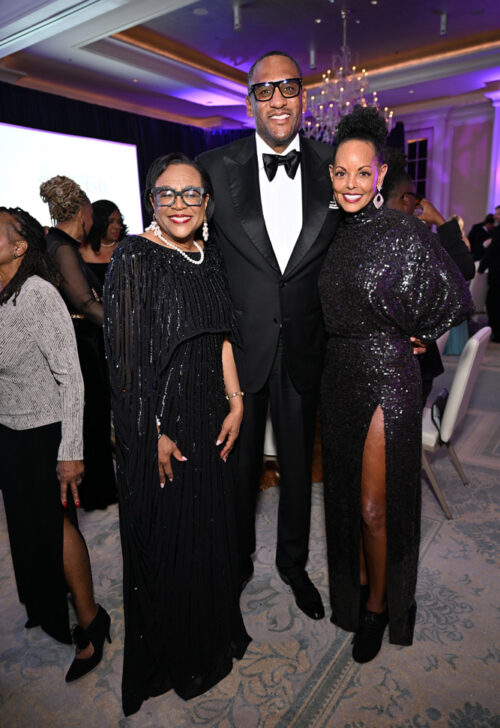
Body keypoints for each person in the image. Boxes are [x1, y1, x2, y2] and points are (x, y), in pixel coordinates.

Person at [319, 106, 473, 664]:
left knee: (373, 507)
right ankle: (360, 587)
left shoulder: (404, 230)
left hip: (387, 374)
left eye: (363, 172)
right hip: (338, 374)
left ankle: (381, 607)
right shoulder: (330, 233)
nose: (352, 183)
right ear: (331, 176)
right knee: (342, 496)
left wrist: (419, 334)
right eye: (341, 172)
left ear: (380, 175)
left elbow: (457, 294)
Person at [103, 153, 250, 716]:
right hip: (161, 422)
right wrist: (153, 432)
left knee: (210, 528)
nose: (181, 204)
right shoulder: (135, 258)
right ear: (152, 201)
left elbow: (223, 337)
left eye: (192, 194)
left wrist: (236, 401)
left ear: (208, 204)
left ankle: (210, 635)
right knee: (169, 538)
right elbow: (126, 361)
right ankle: (176, 651)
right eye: (168, 194)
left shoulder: (207, 257)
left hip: (211, 412)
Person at [199, 51, 340, 620]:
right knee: (237, 469)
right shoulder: (214, 166)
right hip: (239, 348)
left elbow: (357, 252)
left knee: (302, 471)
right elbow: (196, 260)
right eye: (265, 89)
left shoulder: (335, 165)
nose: (278, 99)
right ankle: (235, 565)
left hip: (307, 344)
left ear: (303, 96)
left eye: (289, 88)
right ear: (249, 99)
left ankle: (294, 564)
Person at [0, 206, 111, 682]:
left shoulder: (38, 295)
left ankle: (91, 621)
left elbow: (72, 377)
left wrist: (71, 451)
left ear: (19, 245)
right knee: (25, 527)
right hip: (9, 430)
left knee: (56, 525)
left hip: (47, 430)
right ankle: (46, 604)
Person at [41, 176, 116, 511]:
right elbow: (84, 302)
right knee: (92, 420)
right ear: (84, 212)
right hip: (80, 345)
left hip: (80, 340)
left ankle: (96, 490)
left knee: (92, 419)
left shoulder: (54, 242)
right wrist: (126, 326)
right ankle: (96, 493)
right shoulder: (63, 247)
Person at [382, 149, 475, 401]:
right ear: (405, 198)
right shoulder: (420, 241)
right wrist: (442, 221)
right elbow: (466, 271)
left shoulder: (370, 235)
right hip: (413, 368)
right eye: (416, 198)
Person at [80, 199, 128, 287]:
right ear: (98, 222)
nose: (117, 226)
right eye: (111, 222)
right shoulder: (81, 250)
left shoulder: (127, 247)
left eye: (119, 221)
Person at [479, 224, 500, 342]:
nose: (496, 216)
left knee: (493, 303)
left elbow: (491, 251)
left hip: (497, 275)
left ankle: (496, 333)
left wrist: (481, 269)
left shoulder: (498, 231)